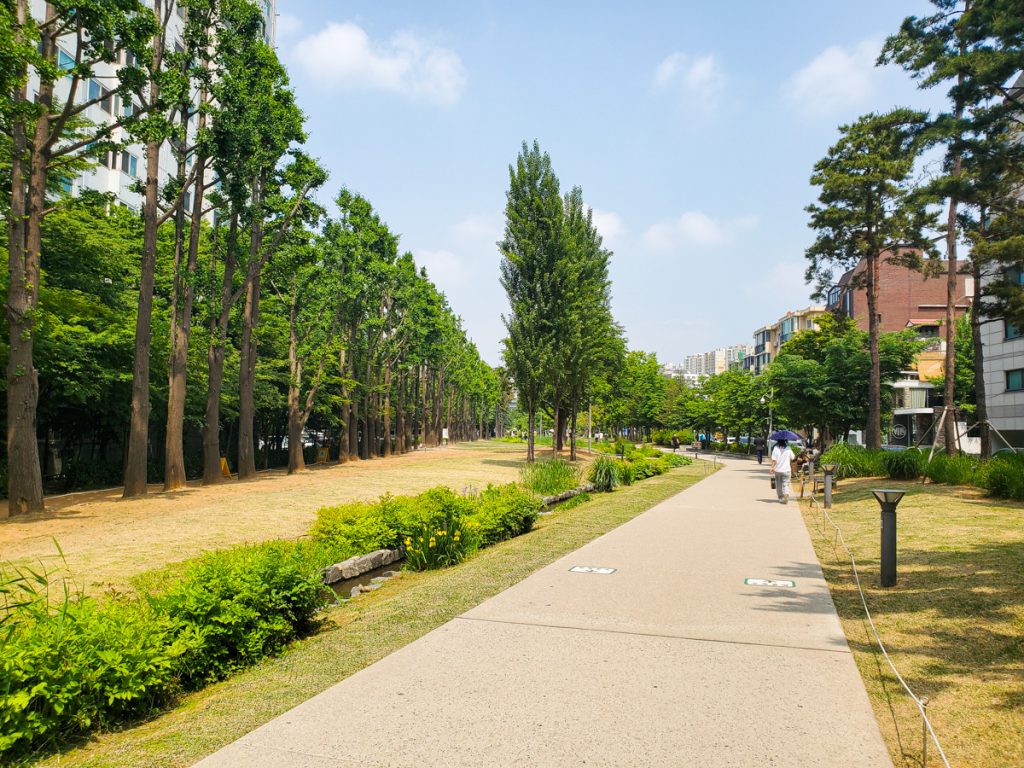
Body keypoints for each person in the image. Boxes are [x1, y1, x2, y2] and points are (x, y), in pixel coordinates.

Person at [770, 439, 795, 504]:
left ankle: (781, 497)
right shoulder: (788, 448)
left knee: (778, 484)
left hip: (778, 470)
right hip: (786, 470)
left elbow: (774, 460)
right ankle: (786, 493)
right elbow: (793, 457)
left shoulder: (776, 448)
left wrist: (772, 468)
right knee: (785, 483)